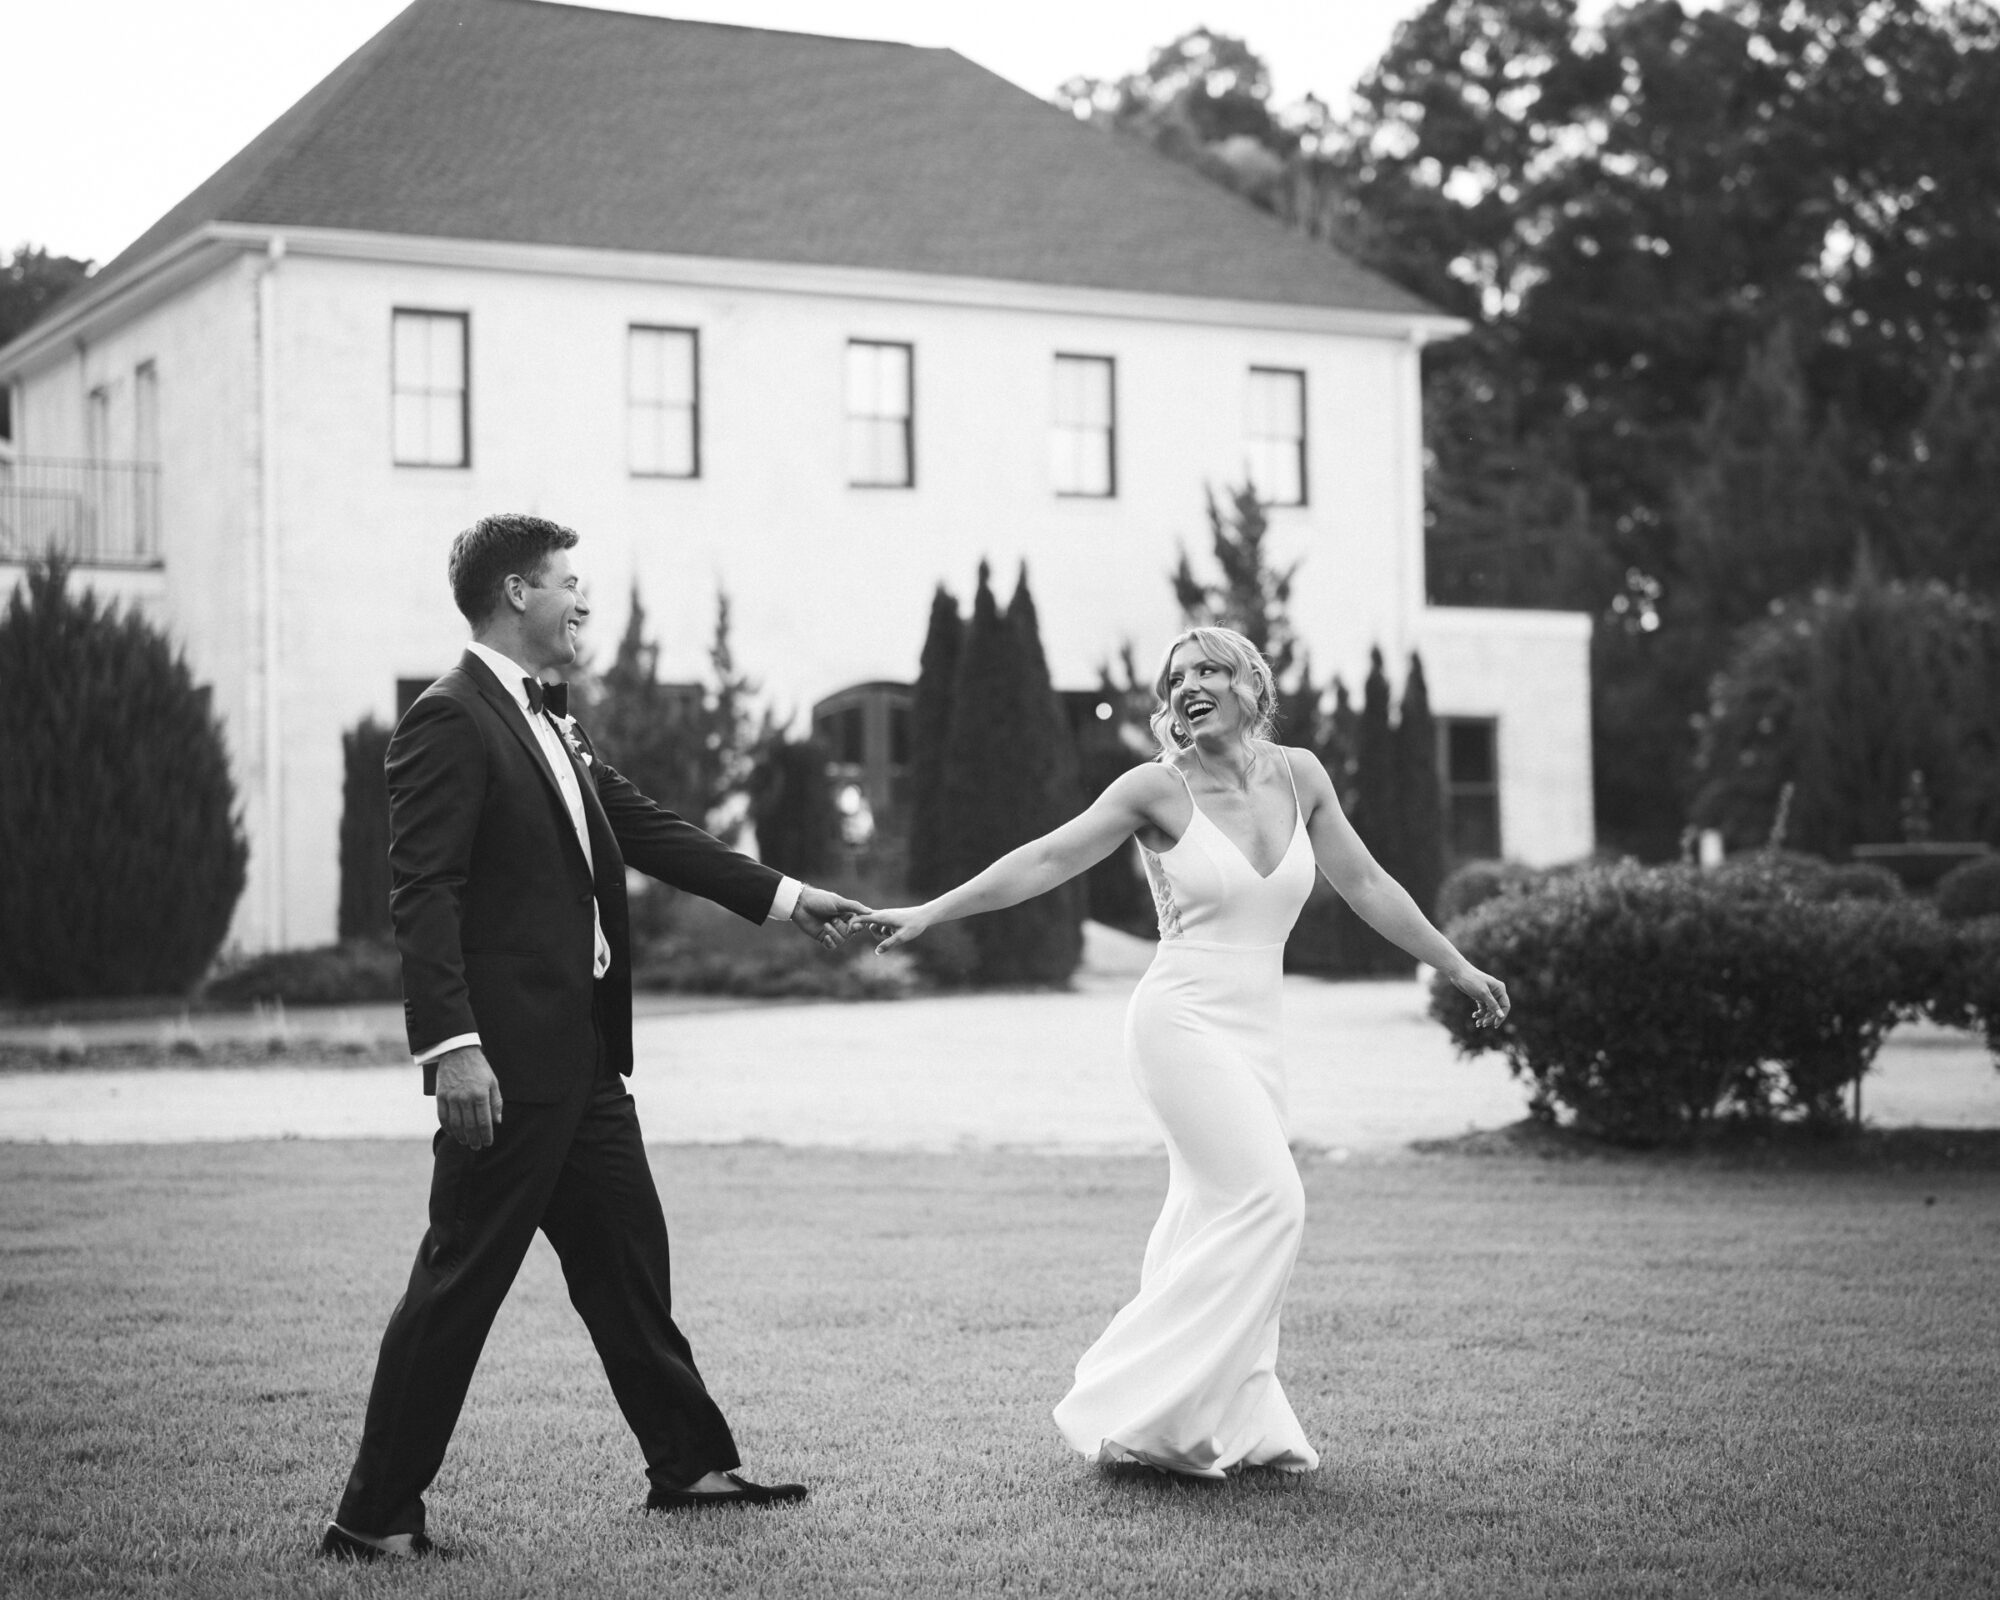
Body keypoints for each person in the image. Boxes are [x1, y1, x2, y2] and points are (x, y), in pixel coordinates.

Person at [321, 514, 870, 1561]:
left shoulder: (547, 720)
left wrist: (790, 898)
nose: (583, 602)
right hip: (508, 1064)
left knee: (625, 1259)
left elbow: (649, 828)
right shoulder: (450, 719)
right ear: (518, 591)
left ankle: (691, 1466)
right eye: (571, 584)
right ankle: (373, 1515)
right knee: (458, 1282)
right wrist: (452, 1047)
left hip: (583, 1062)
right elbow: (423, 893)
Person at [863, 625, 1509, 1478]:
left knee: (1207, 1215)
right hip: (1181, 1024)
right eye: (1177, 676)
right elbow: (1049, 857)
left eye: (1209, 669)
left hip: (1258, 1035)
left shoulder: (1300, 775)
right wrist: (927, 914)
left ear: (1251, 683)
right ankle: (1139, 1399)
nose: (1189, 684)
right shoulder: (1155, 790)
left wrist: (1456, 963)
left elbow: (1367, 884)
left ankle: (1220, 1422)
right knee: (1273, 1200)